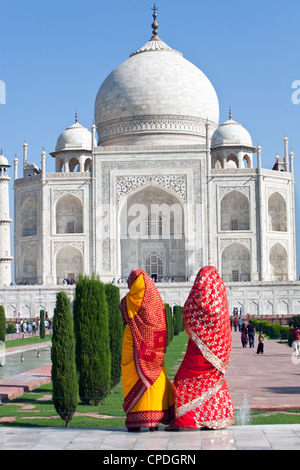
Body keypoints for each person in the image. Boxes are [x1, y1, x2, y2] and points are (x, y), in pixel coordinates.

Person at [166, 266, 235, 430]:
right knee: (212, 381)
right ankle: (215, 416)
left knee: (183, 381)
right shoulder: (220, 298)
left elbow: (187, 313)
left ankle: (186, 419)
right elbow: (224, 325)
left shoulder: (196, 299)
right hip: (216, 352)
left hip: (197, 353)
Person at [119, 268, 174, 432]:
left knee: (132, 377)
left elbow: (123, 319)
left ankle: (135, 419)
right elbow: (161, 326)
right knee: (155, 381)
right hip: (153, 352)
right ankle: (153, 420)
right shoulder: (155, 301)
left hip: (131, 345)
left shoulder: (126, 301)